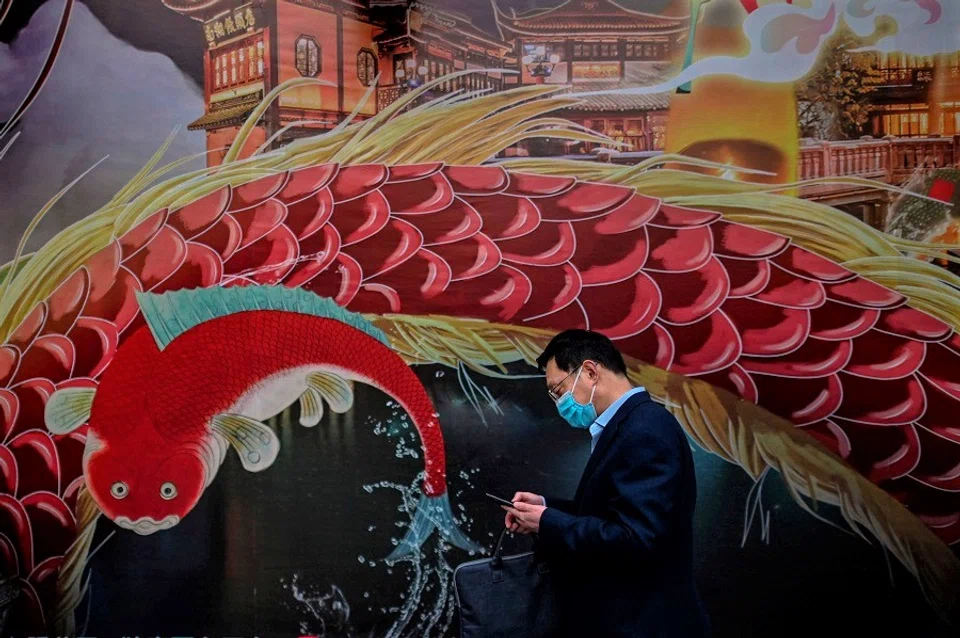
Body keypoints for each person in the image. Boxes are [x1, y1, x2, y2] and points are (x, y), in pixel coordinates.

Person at [503, 329, 710, 637]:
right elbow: (611, 514)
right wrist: (545, 510)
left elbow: (635, 538)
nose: (558, 404)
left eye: (558, 391)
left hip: (643, 623)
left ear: (589, 371)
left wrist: (549, 523)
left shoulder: (645, 430)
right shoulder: (628, 425)